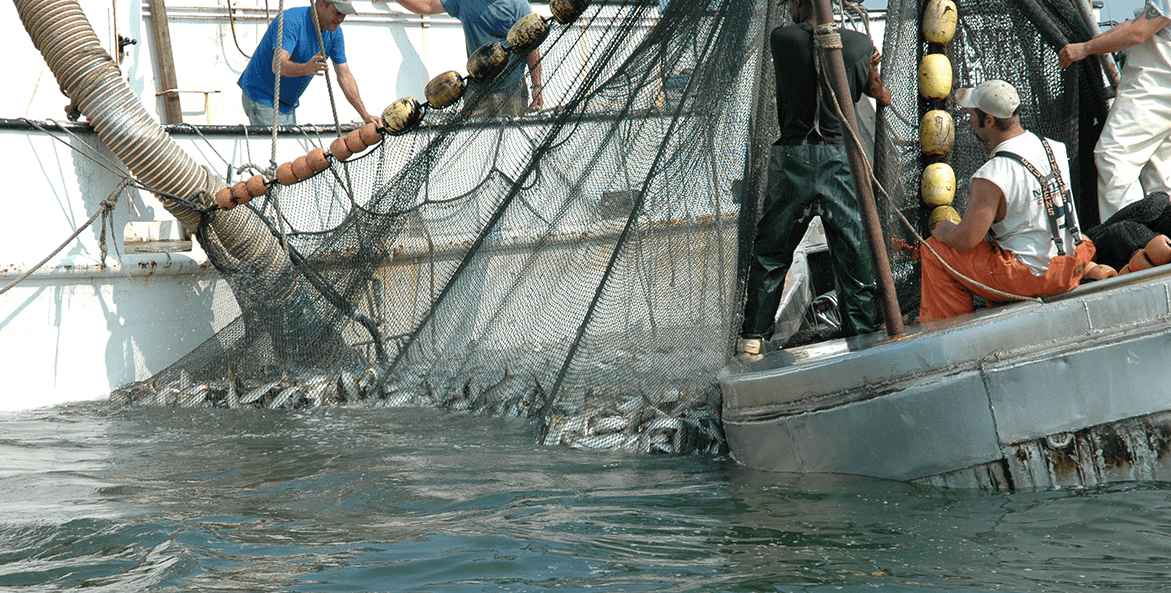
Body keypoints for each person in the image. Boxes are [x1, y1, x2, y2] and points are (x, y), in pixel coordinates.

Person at [736, 0, 891, 359]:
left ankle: (752, 341)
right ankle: (864, 339)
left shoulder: (782, 38)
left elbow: (812, 49)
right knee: (853, 253)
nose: (786, 7)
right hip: (840, 161)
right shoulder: (859, 45)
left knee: (772, 253)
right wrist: (871, 70)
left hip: (793, 158)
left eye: (790, 1)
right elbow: (879, 95)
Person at [918, 80, 1095, 322]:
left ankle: (948, 334)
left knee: (933, 250)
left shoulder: (992, 174)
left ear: (989, 121)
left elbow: (967, 239)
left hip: (1033, 277)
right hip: (1071, 264)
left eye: (972, 114)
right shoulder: (1054, 148)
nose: (969, 120)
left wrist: (945, 229)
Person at [1058, 1, 1171, 222]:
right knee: (1160, 173)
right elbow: (1135, 24)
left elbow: (1138, 32)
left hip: (1154, 91)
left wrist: (1085, 49)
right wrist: (1090, 43)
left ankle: (1130, 240)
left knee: (1113, 156)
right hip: (1163, 94)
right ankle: (1163, 243)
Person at [238, 0, 380, 127]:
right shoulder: (291, 20)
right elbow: (278, 65)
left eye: (344, 14)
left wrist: (365, 115)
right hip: (262, 95)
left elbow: (344, 75)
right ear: (320, 5)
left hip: (288, 104)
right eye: (337, 12)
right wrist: (305, 68)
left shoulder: (334, 33)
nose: (340, 19)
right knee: (280, 152)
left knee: (288, 153)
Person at [390, 0, 544, 116]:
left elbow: (532, 46)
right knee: (472, 139)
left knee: (511, 143)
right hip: (477, 90)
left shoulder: (517, 3)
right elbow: (428, 6)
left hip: (513, 88)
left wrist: (537, 86)